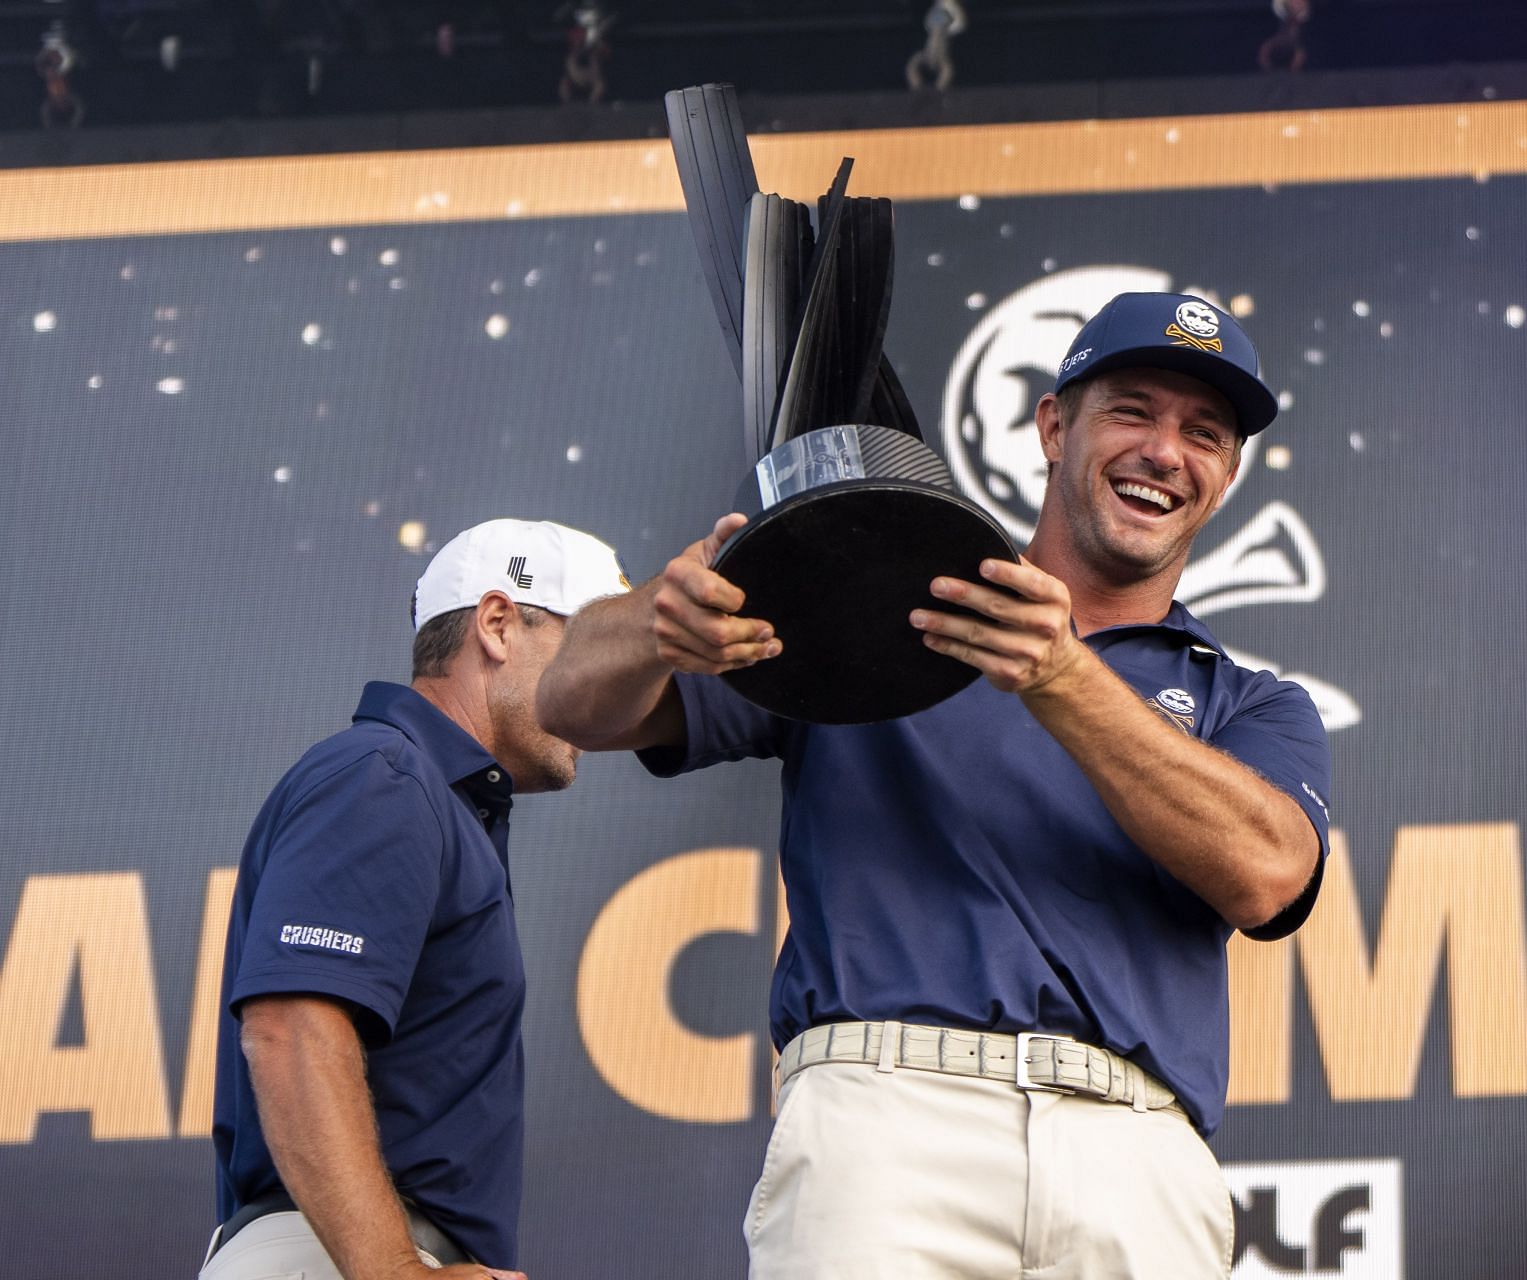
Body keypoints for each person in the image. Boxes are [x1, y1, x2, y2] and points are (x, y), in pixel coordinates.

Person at [538, 292, 1331, 1277]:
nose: (1167, 449)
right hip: (887, 1119)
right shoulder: (881, 608)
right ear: (1053, 426)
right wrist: (661, 613)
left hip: (1138, 1150)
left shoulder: (1248, 702)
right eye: (1133, 409)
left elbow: (1268, 875)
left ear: (1225, 476)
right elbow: (571, 702)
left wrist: (1064, 677)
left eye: (1203, 432)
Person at [202, 518, 630, 1280]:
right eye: (593, 652)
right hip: (334, 1257)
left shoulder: (432, 797)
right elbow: (291, 1029)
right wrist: (395, 1270)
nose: (610, 694)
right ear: (498, 624)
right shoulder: (386, 774)